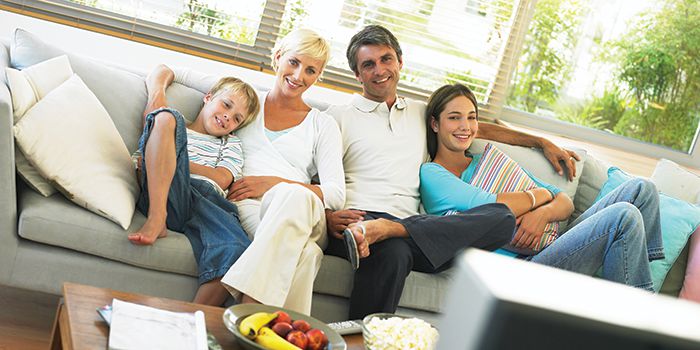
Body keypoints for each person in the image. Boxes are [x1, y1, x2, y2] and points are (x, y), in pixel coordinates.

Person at [323, 25, 581, 319]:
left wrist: (541, 142)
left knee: (501, 217)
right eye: (368, 64)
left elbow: (475, 128)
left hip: (413, 230)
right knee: (393, 253)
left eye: (386, 59)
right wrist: (329, 216)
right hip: (358, 222)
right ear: (357, 74)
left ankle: (393, 228)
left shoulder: (420, 113)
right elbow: (313, 180)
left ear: (400, 62)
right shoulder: (337, 118)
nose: (380, 70)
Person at [420, 83, 665, 291]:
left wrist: (542, 213)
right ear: (435, 124)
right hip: (522, 269)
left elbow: (564, 202)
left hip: (553, 245)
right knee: (624, 216)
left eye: (471, 117)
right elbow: (493, 207)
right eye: (454, 118)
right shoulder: (433, 173)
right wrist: (542, 194)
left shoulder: (486, 159)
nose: (465, 126)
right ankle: (641, 313)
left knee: (642, 189)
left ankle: (634, 284)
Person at [218, 28, 345, 315]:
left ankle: (246, 311)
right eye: (294, 62)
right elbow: (187, 77)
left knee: (291, 195)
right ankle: (278, 338)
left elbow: (336, 194)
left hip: (305, 211)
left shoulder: (322, 124)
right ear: (277, 57)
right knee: (308, 255)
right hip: (249, 208)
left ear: (318, 76)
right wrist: (159, 86)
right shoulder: (246, 103)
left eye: (311, 70)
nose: (299, 76)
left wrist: (272, 183)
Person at [129, 64, 260, 306]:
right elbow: (160, 71)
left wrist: (170, 158)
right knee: (167, 116)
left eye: (236, 119)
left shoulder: (229, 144)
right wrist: (167, 153)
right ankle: (157, 218)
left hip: (207, 202)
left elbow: (221, 178)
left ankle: (193, 325)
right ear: (208, 97)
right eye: (226, 105)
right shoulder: (170, 127)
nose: (227, 117)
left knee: (237, 247)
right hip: (166, 192)